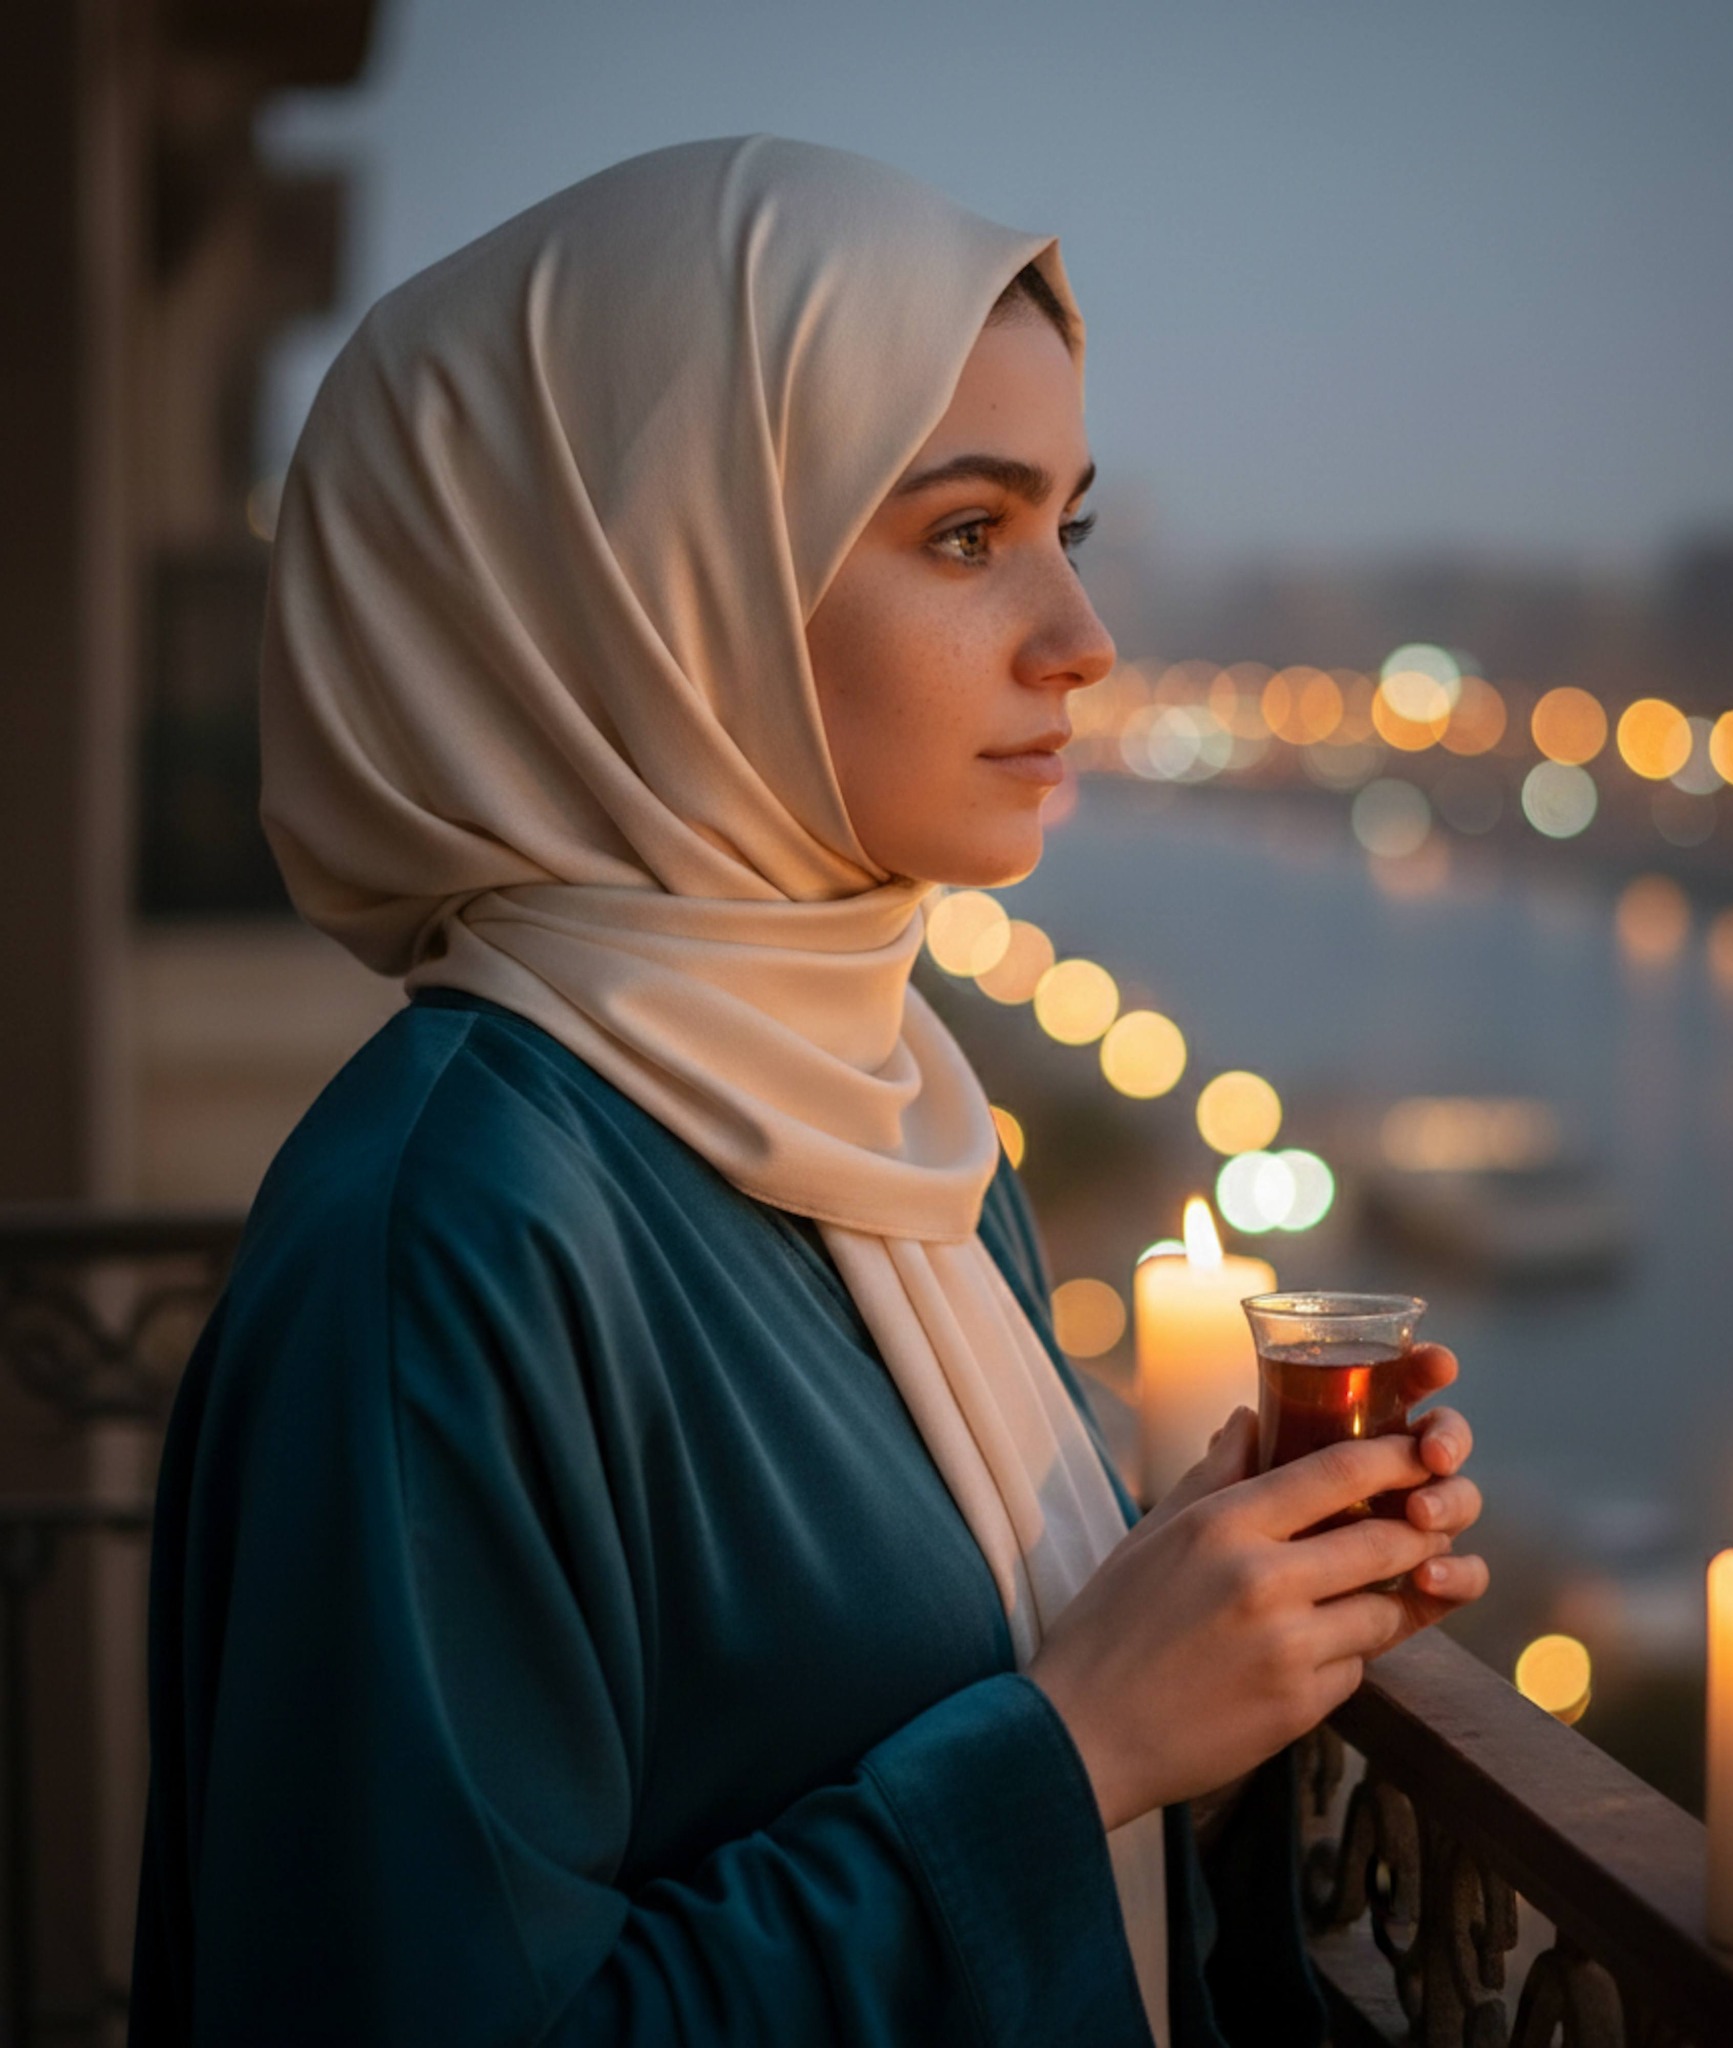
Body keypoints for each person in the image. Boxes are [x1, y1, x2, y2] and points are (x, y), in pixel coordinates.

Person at [129, 135, 1487, 2047]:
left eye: (1071, 528)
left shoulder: (906, 1122)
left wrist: (1196, 1608)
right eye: (966, 536)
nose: (1083, 642)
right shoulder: (446, 1235)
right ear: (661, 589)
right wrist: (1079, 1744)